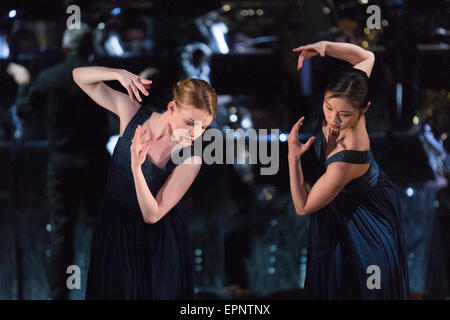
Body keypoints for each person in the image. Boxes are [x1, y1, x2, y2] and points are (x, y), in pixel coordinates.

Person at [72, 66, 216, 299]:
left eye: (204, 127)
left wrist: (137, 169)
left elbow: (152, 214)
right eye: (191, 123)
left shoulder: (190, 158)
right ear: (172, 108)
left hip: (155, 242)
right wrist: (118, 74)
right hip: (114, 226)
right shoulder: (132, 115)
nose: (196, 133)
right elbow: (79, 77)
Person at [288, 41, 409, 299]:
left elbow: (302, 206)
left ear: (364, 108)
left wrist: (293, 157)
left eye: (344, 114)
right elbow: (367, 56)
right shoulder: (354, 88)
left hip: (364, 226)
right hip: (355, 202)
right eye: (328, 107)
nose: (333, 119)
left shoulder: (347, 160)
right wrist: (325, 47)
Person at [7, 23, 110, 300]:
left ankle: (58, 295)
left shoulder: (49, 77)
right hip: (96, 164)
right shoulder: (102, 79)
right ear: (90, 48)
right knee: (100, 229)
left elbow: (24, 110)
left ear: (65, 48)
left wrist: (23, 83)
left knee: (62, 230)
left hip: (62, 165)